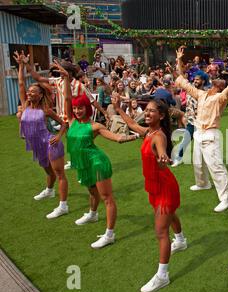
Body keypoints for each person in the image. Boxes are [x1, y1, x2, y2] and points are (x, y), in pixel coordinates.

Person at [56, 61, 137, 249]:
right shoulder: (71, 121)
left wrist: (135, 135)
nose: (76, 110)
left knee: (107, 198)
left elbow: (117, 138)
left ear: (88, 109)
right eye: (75, 108)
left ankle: (110, 234)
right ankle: (93, 214)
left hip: (97, 163)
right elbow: (67, 99)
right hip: (82, 164)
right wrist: (67, 79)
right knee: (92, 192)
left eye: (80, 108)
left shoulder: (95, 126)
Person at [112, 94, 187, 292]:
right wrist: (118, 109)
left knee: (161, 232)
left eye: (151, 110)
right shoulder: (148, 131)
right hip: (155, 185)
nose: (147, 112)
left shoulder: (159, 136)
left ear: (161, 116)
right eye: (146, 110)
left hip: (164, 188)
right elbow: (132, 125)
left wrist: (163, 156)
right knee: (170, 216)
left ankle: (162, 276)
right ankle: (181, 239)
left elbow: (161, 149)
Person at [174, 46, 228, 213]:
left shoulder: (220, 98)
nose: (217, 80)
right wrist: (179, 59)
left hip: (211, 134)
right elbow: (182, 81)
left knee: (216, 166)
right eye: (217, 80)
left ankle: (226, 198)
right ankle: (202, 183)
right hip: (198, 132)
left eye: (221, 82)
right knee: (197, 162)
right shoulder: (201, 94)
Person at [14, 51, 69, 219]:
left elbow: (64, 123)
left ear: (40, 95)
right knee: (48, 172)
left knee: (59, 174)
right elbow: (21, 83)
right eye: (29, 92)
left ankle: (63, 205)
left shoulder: (46, 110)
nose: (29, 93)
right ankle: (50, 191)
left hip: (50, 143)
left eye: (33, 92)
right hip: (36, 145)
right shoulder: (25, 104)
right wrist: (21, 65)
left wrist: (59, 136)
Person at [172, 71, 208, 167]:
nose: (195, 81)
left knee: (203, 144)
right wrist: (179, 60)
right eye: (195, 79)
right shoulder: (190, 88)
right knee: (186, 140)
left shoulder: (204, 93)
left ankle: (207, 161)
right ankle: (178, 159)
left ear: (203, 81)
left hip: (201, 123)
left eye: (197, 79)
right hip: (191, 121)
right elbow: (181, 77)